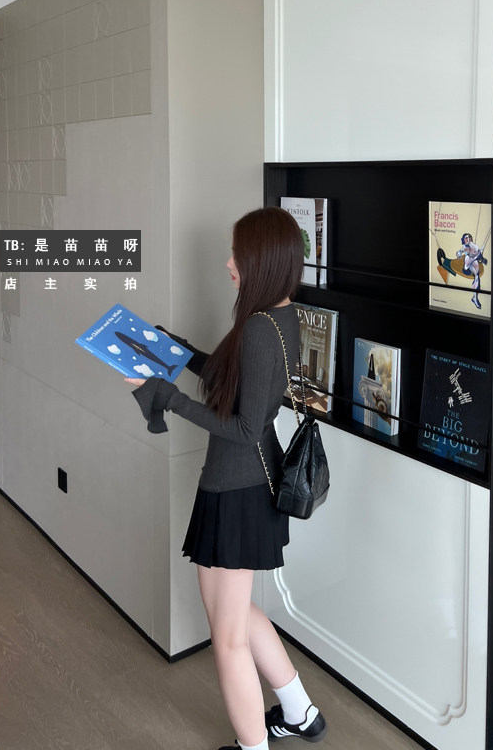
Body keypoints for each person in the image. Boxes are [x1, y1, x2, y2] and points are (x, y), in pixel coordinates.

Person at [127, 206, 327, 750]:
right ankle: (300, 711)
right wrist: (170, 349)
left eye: (236, 254)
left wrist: (168, 398)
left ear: (259, 260)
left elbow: (242, 427)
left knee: (228, 636)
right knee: (229, 613)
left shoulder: (260, 330)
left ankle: (253, 746)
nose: (228, 263)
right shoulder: (275, 317)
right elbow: (226, 375)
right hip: (239, 484)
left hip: (239, 488)